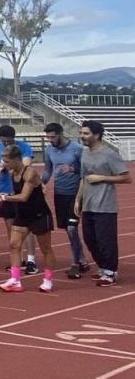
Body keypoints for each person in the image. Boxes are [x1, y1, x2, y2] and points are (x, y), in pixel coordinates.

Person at [0, 145, 56, 293]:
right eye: (3, 161)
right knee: (14, 245)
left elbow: (23, 197)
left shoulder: (29, 173)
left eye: (7, 161)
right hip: (22, 215)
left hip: (39, 215)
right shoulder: (11, 173)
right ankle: (15, 280)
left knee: (46, 248)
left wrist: (4, 197)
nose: (4, 164)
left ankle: (48, 280)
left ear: (17, 159)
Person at [76, 120, 132, 286]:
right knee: (89, 239)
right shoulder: (85, 153)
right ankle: (102, 266)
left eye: (85, 133)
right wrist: (78, 200)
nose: (82, 136)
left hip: (105, 205)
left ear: (97, 135)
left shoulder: (109, 154)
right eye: (81, 133)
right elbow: (83, 178)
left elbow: (126, 177)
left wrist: (102, 177)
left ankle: (110, 272)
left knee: (105, 240)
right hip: (88, 204)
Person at [0, 125, 38, 274]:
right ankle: (18, 258)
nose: (6, 144)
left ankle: (31, 260)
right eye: (4, 141)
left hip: (21, 191)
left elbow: (27, 164)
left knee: (26, 228)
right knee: (11, 227)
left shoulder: (23, 147)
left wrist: (8, 165)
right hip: (4, 191)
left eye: (9, 141)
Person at [42, 123, 89, 279]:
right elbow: (48, 170)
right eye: (48, 137)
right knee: (68, 230)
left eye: (53, 136)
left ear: (61, 133)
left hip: (75, 193)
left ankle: (76, 264)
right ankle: (82, 260)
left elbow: (86, 171)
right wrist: (41, 183)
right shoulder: (49, 150)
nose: (50, 140)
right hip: (59, 194)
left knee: (72, 229)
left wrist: (73, 169)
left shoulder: (77, 149)